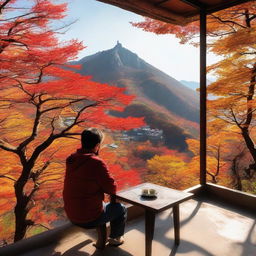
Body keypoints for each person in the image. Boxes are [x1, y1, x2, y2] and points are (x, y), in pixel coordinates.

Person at [63, 128, 127, 248]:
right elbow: (111, 188)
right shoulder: (96, 163)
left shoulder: (71, 159)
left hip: (71, 213)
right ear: (97, 145)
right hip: (89, 218)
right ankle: (115, 238)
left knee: (101, 205)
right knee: (121, 208)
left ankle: (102, 240)